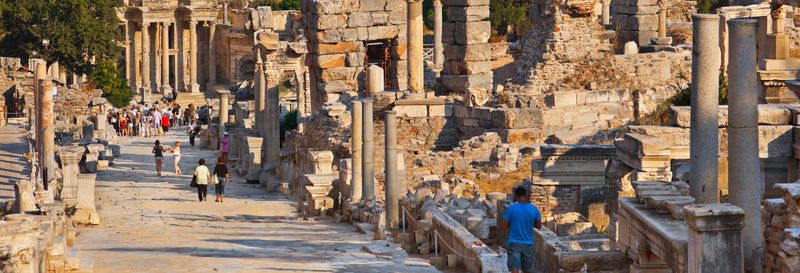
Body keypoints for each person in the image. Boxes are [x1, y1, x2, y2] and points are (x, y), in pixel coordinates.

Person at [501, 186, 542, 273]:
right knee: (527, 269)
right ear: (526, 195)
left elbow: (504, 226)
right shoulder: (534, 209)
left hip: (514, 243)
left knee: (514, 268)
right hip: (528, 243)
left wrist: (512, 223)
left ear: (516, 196)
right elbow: (539, 226)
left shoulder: (511, 209)